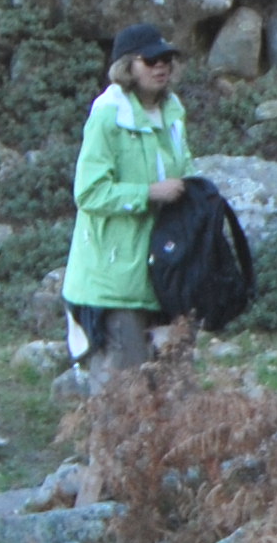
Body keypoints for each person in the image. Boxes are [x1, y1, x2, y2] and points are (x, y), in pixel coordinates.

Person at [65, 22, 195, 385]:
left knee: (174, 384)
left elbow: (184, 170)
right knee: (124, 390)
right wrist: (148, 193)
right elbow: (89, 193)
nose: (161, 66)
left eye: (166, 58)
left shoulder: (172, 111)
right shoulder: (108, 115)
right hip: (114, 279)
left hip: (163, 273)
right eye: (150, 59)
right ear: (126, 66)